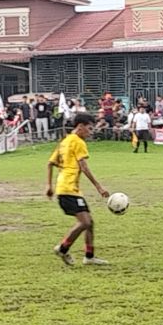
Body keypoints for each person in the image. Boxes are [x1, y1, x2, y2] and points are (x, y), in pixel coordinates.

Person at [47, 113, 110, 266]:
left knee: (90, 222)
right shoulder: (78, 142)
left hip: (65, 188)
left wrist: (49, 186)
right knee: (85, 222)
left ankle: (89, 256)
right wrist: (98, 187)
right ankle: (62, 248)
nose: (91, 131)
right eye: (89, 128)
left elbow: (50, 163)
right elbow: (84, 166)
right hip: (69, 188)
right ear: (80, 126)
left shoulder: (65, 141)